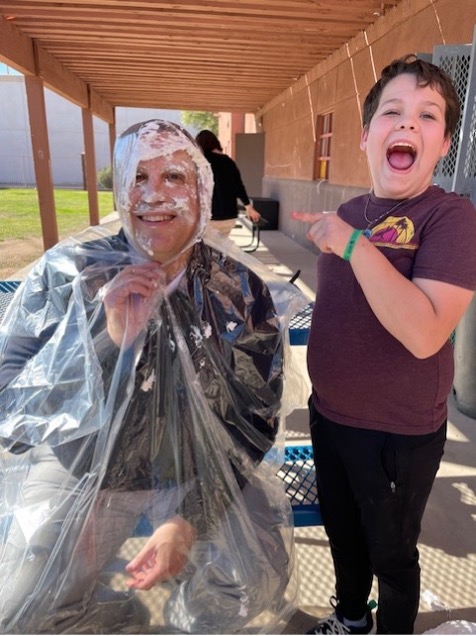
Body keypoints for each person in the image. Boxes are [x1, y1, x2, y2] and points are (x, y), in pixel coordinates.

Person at [0, 120, 305, 634]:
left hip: (198, 472)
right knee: (20, 604)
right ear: (118, 188)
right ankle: (109, 614)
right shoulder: (68, 273)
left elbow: (255, 419)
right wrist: (104, 340)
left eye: (173, 177)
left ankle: (193, 624)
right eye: (137, 177)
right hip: (83, 468)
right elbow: (10, 399)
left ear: (202, 189)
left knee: (253, 576)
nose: (153, 195)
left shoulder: (238, 290)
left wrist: (189, 518)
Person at [292, 55, 476, 635]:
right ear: (367, 135)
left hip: (397, 434)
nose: (407, 124)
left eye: (427, 116)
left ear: (443, 142)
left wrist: (354, 247)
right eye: (392, 112)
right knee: (343, 534)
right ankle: (350, 618)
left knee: (392, 553)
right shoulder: (349, 212)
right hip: (329, 414)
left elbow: (424, 333)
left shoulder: (450, 216)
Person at [195, 129, 261, 235]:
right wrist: (249, 207)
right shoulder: (228, 162)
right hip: (228, 216)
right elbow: (239, 186)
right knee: (222, 248)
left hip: (206, 216)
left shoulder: (198, 163)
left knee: (206, 249)